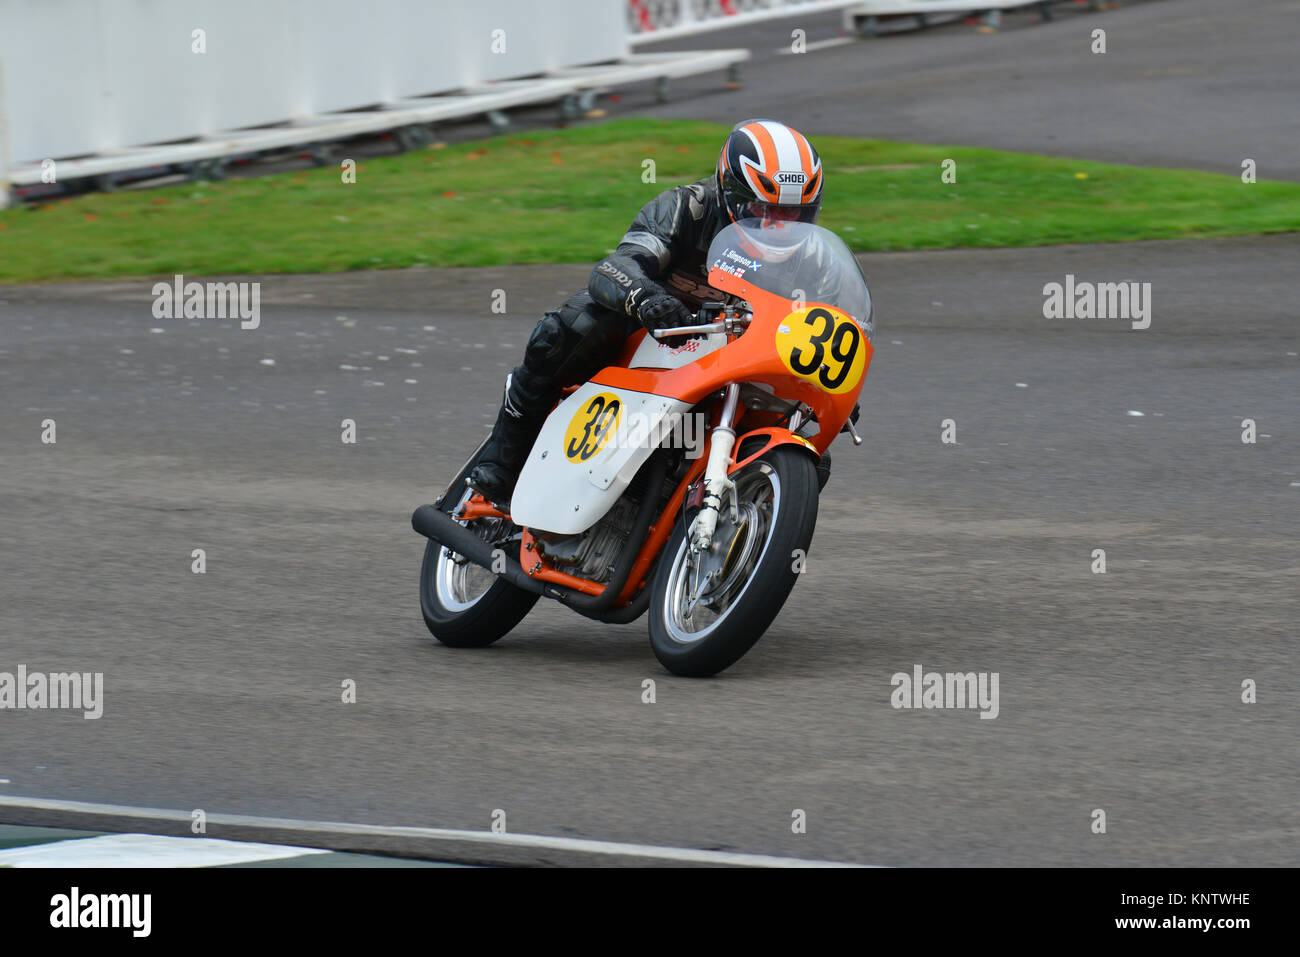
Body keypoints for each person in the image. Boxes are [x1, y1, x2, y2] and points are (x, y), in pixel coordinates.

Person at [465, 118, 825, 508]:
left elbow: (821, 319)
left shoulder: (812, 256)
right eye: (762, 209)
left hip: (734, 356)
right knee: (566, 330)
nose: (777, 226)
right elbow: (618, 267)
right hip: (652, 336)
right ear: (730, 193)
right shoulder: (686, 208)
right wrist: (649, 299)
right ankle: (506, 452)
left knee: (808, 454)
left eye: (793, 214)